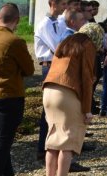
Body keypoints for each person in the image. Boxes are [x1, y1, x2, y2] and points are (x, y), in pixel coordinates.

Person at [0, 2, 35, 176]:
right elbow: (29, 70)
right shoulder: (15, 41)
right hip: (9, 96)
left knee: (1, 142)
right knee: (3, 144)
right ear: (17, 20)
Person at [42, 26, 98, 176]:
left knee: (52, 142)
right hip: (66, 93)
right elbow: (86, 79)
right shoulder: (88, 45)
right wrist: (87, 109)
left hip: (48, 91)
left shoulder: (65, 42)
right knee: (67, 142)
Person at [33, 0, 69, 160]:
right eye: (62, 4)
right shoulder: (45, 24)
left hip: (56, 64)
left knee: (58, 107)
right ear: (53, 4)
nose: (65, 7)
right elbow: (58, 46)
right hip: (49, 66)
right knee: (49, 108)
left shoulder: (58, 22)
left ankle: (56, 148)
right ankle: (44, 148)